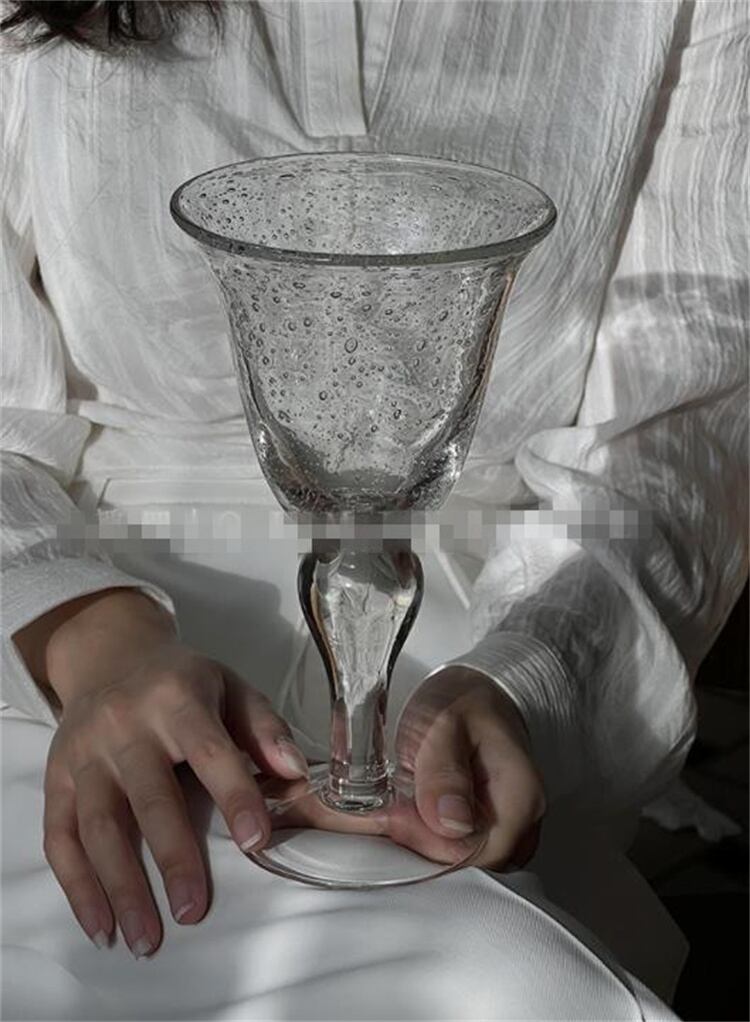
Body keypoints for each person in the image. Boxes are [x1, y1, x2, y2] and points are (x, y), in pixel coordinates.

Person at [0, 1, 746, 1018]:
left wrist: (526, 678)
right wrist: (91, 637)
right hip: (59, 663)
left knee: (501, 982)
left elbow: (679, 437)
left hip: (485, 660)